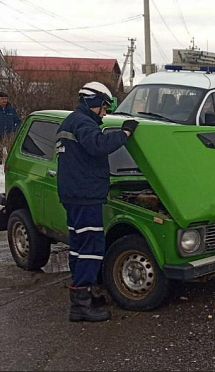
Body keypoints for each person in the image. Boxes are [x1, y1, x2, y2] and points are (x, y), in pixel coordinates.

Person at [57, 82, 139, 322]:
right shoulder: (82, 123)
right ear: (92, 102)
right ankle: (81, 305)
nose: (105, 112)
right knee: (91, 248)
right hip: (85, 196)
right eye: (103, 106)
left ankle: (83, 294)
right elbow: (97, 145)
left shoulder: (71, 121)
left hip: (74, 195)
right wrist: (124, 133)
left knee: (78, 246)